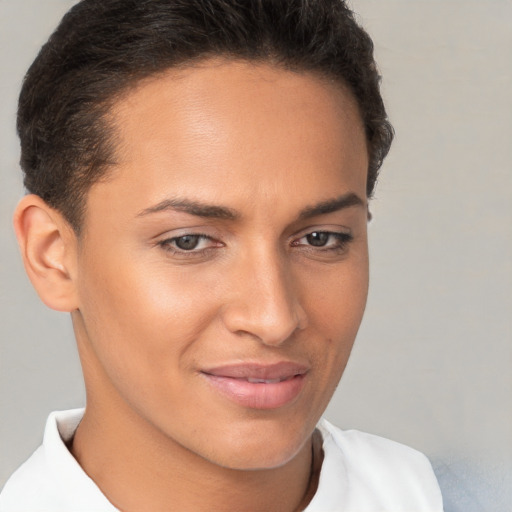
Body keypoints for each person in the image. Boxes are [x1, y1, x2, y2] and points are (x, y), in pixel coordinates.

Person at [0, 0, 443, 510]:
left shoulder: (447, 496)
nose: (273, 319)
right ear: (53, 256)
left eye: (321, 238)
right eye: (188, 241)